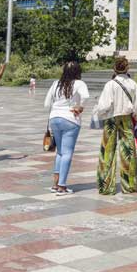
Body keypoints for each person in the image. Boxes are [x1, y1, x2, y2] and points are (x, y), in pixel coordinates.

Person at [94, 56, 137, 195]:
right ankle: (129, 185)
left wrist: (99, 113)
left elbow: (105, 105)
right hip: (126, 118)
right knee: (128, 150)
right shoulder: (132, 84)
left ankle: (106, 186)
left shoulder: (110, 84)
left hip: (111, 118)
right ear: (127, 68)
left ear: (114, 68)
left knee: (107, 151)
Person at [44, 61, 89, 195]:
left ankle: (55, 184)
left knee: (60, 152)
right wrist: (80, 107)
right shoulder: (79, 83)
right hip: (70, 119)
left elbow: (47, 103)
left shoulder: (56, 83)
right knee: (67, 152)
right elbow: (86, 96)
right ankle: (62, 186)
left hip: (54, 118)